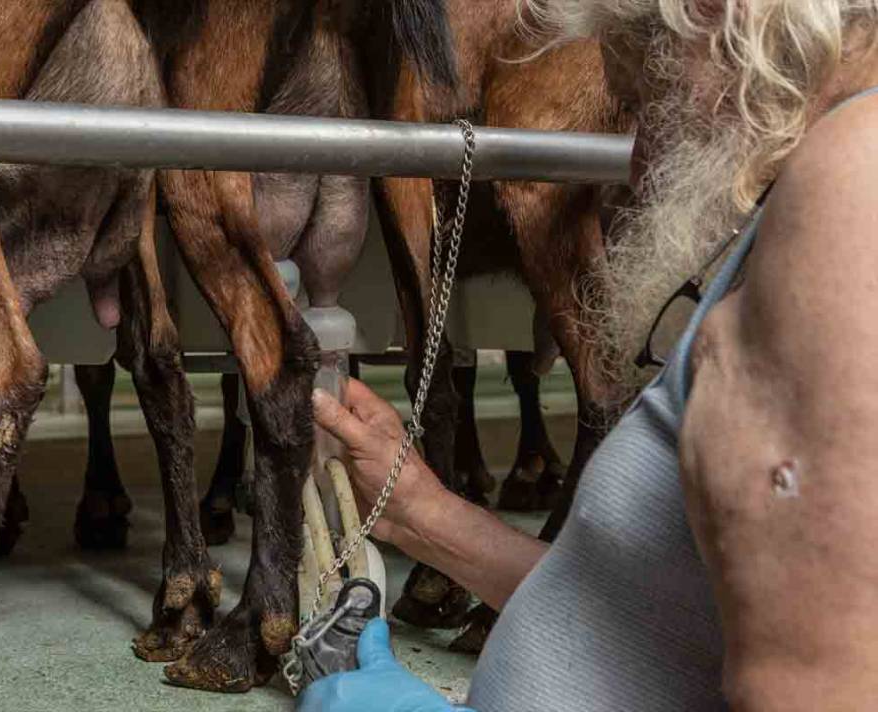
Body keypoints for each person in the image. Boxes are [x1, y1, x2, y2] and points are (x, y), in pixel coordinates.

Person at [297, 1, 878, 709]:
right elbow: (644, 612)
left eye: (639, 102)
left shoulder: (856, 180)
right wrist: (422, 513)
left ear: (715, 16)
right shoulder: (817, 197)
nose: (633, 166)